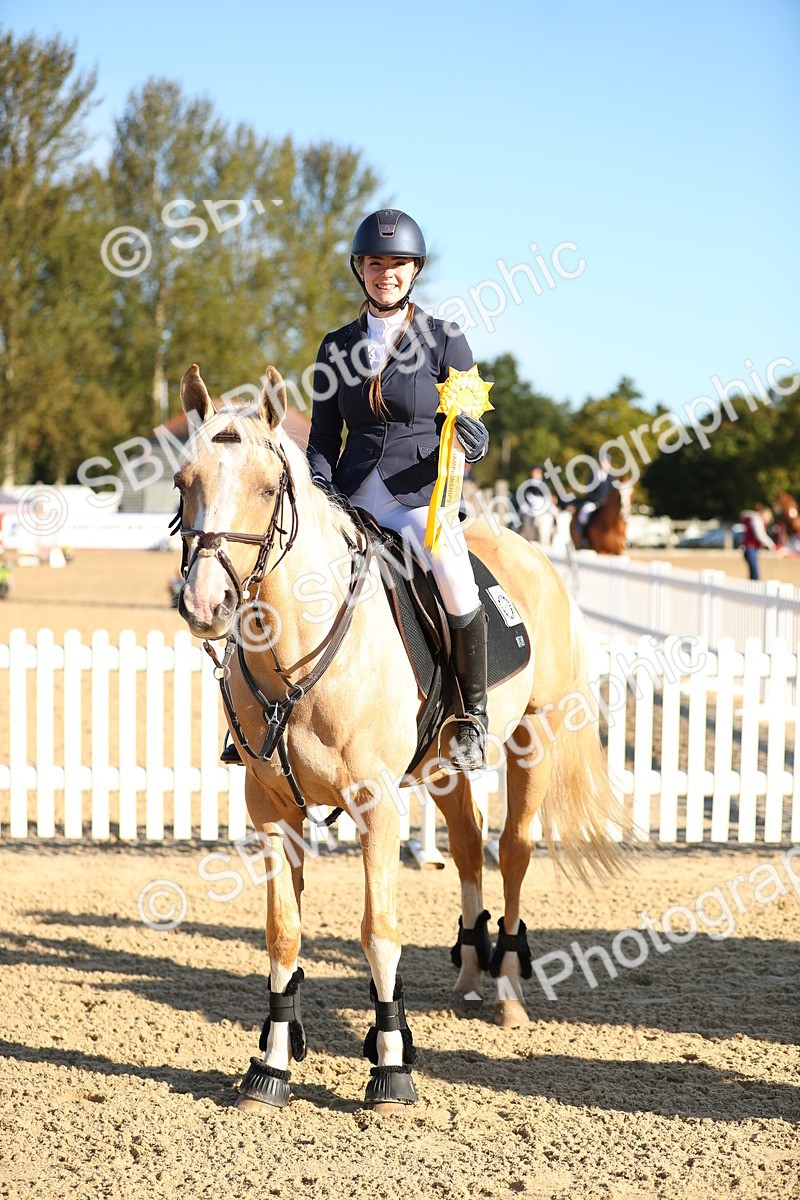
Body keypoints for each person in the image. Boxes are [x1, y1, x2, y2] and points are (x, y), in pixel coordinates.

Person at [304, 208, 491, 772]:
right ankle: (270, 713)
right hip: (351, 498)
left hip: (420, 498)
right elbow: (320, 438)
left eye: (398, 264)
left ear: (414, 271)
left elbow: (462, 421)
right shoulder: (335, 347)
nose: (386, 272)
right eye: (375, 262)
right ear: (359, 269)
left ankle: (473, 717)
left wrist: (474, 440)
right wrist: (320, 487)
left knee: (452, 571)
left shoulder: (444, 341)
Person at [575, 454, 614, 545]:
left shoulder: (611, 477)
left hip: (607, 504)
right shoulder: (592, 475)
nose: (604, 464)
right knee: (584, 513)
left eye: (606, 462)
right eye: (602, 462)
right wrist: (598, 501)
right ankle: (583, 537)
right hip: (594, 502)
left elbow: (613, 491)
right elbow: (589, 491)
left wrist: (608, 501)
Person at [739, 502, 776, 581]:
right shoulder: (757, 519)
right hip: (750, 548)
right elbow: (760, 535)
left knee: (753, 573)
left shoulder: (753, 518)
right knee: (755, 575)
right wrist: (771, 544)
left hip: (750, 548)